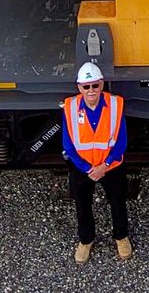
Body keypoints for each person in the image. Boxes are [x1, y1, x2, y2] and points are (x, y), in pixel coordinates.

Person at [61, 61, 132, 264]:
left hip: (110, 168)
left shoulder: (116, 105)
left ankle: (121, 237)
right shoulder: (70, 107)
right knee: (82, 206)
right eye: (86, 86)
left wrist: (104, 166)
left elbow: (121, 141)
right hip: (83, 169)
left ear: (102, 84)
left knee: (118, 203)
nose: (91, 90)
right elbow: (68, 145)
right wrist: (88, 169)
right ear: (79, 88)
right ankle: (86, 240)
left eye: (95, 85)